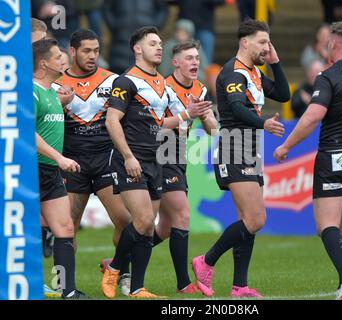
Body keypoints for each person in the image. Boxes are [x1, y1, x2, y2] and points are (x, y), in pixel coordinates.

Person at [100, 26, 211, 299]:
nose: (159, 47)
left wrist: (189, 113)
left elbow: (162, 123)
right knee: (144, 220)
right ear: (138, 49)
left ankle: (136, 286)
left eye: (160, 43)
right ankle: (115, 268)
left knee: (149, 228)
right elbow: (112, 120)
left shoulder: (161, 83)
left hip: (156, 160)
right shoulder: (126, 81)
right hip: (132, 159)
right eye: (152, 43)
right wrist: (127, 156)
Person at [273, 21, 342, 300]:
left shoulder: (329, 75)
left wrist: (286, 145)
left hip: (335, 155)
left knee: (326, 226)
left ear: (333, 44)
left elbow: (313, 115)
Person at [191, 19, 290, 298]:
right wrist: (263, 124)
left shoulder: (254, 72)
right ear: (244, 42)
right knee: (256, 219)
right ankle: (206, 261)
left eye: (268, 42)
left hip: (249, 149)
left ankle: (240, 286)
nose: (266, 47)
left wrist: (276, 61)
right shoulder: (234, 72)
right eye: (261, 42)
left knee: (247, 219)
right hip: (235, 147)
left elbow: (283, 94)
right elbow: (235, 107)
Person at [52, 29, 132, 295]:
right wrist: (58, 105)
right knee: (68, 228)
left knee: (125, 220)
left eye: (96, 50)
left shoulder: (114, 81)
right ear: (72, 52)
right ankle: (66, 286)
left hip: (106, 160)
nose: (92, 56)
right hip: (70, 163)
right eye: (86, 50)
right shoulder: (54, 84)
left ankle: (120, 269)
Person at [152, 40, 218, 294]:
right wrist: (187, 114)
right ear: (176, 62)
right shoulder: (163, 87)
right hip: (160, 151)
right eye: (189, 58)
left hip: (178, 154)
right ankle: (183, 284)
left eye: (197, 58)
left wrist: (208, 116)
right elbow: (155, 126)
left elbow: (213, 131)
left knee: (166, 227)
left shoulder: (200, 89)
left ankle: (117, 262)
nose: (195, 63)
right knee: (182, 216)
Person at [33, 38, 89, 299]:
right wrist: (60, 157)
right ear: (43, 63)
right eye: (58, 57)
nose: (64, 59)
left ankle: (65, 289)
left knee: (65, 228)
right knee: (24, 231)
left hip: (51, 172)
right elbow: (28, 134)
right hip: (30, 171)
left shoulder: (52, 92)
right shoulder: (30, 92)